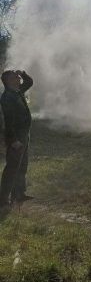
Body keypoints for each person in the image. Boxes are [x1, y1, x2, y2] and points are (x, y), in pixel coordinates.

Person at [0, 70, 34, 205]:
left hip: (24, 134)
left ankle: (18, 193)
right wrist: (14, 140)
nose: (19, 78)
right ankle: (3, 199)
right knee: (13, 167)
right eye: (16, 77)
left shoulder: (17, 91)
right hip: (17, 137)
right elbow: (8, 122)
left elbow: (29, 82)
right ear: (8, 81)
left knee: (22, 165)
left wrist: (24, 73)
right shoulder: (8, 97)